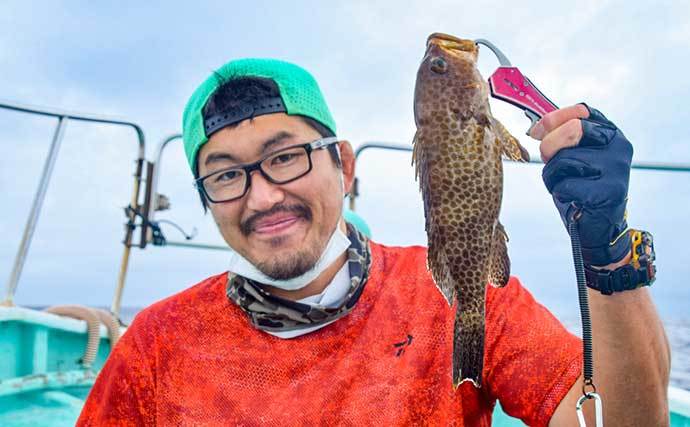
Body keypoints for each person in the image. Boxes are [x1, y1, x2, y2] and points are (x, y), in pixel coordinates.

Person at [77, 58, 670, 426]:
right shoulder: (155, 344)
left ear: (343, 165)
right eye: (226, 174)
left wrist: (608, 253)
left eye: (284, 157)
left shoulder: (464, 302)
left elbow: (618, 424)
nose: (260, 198)